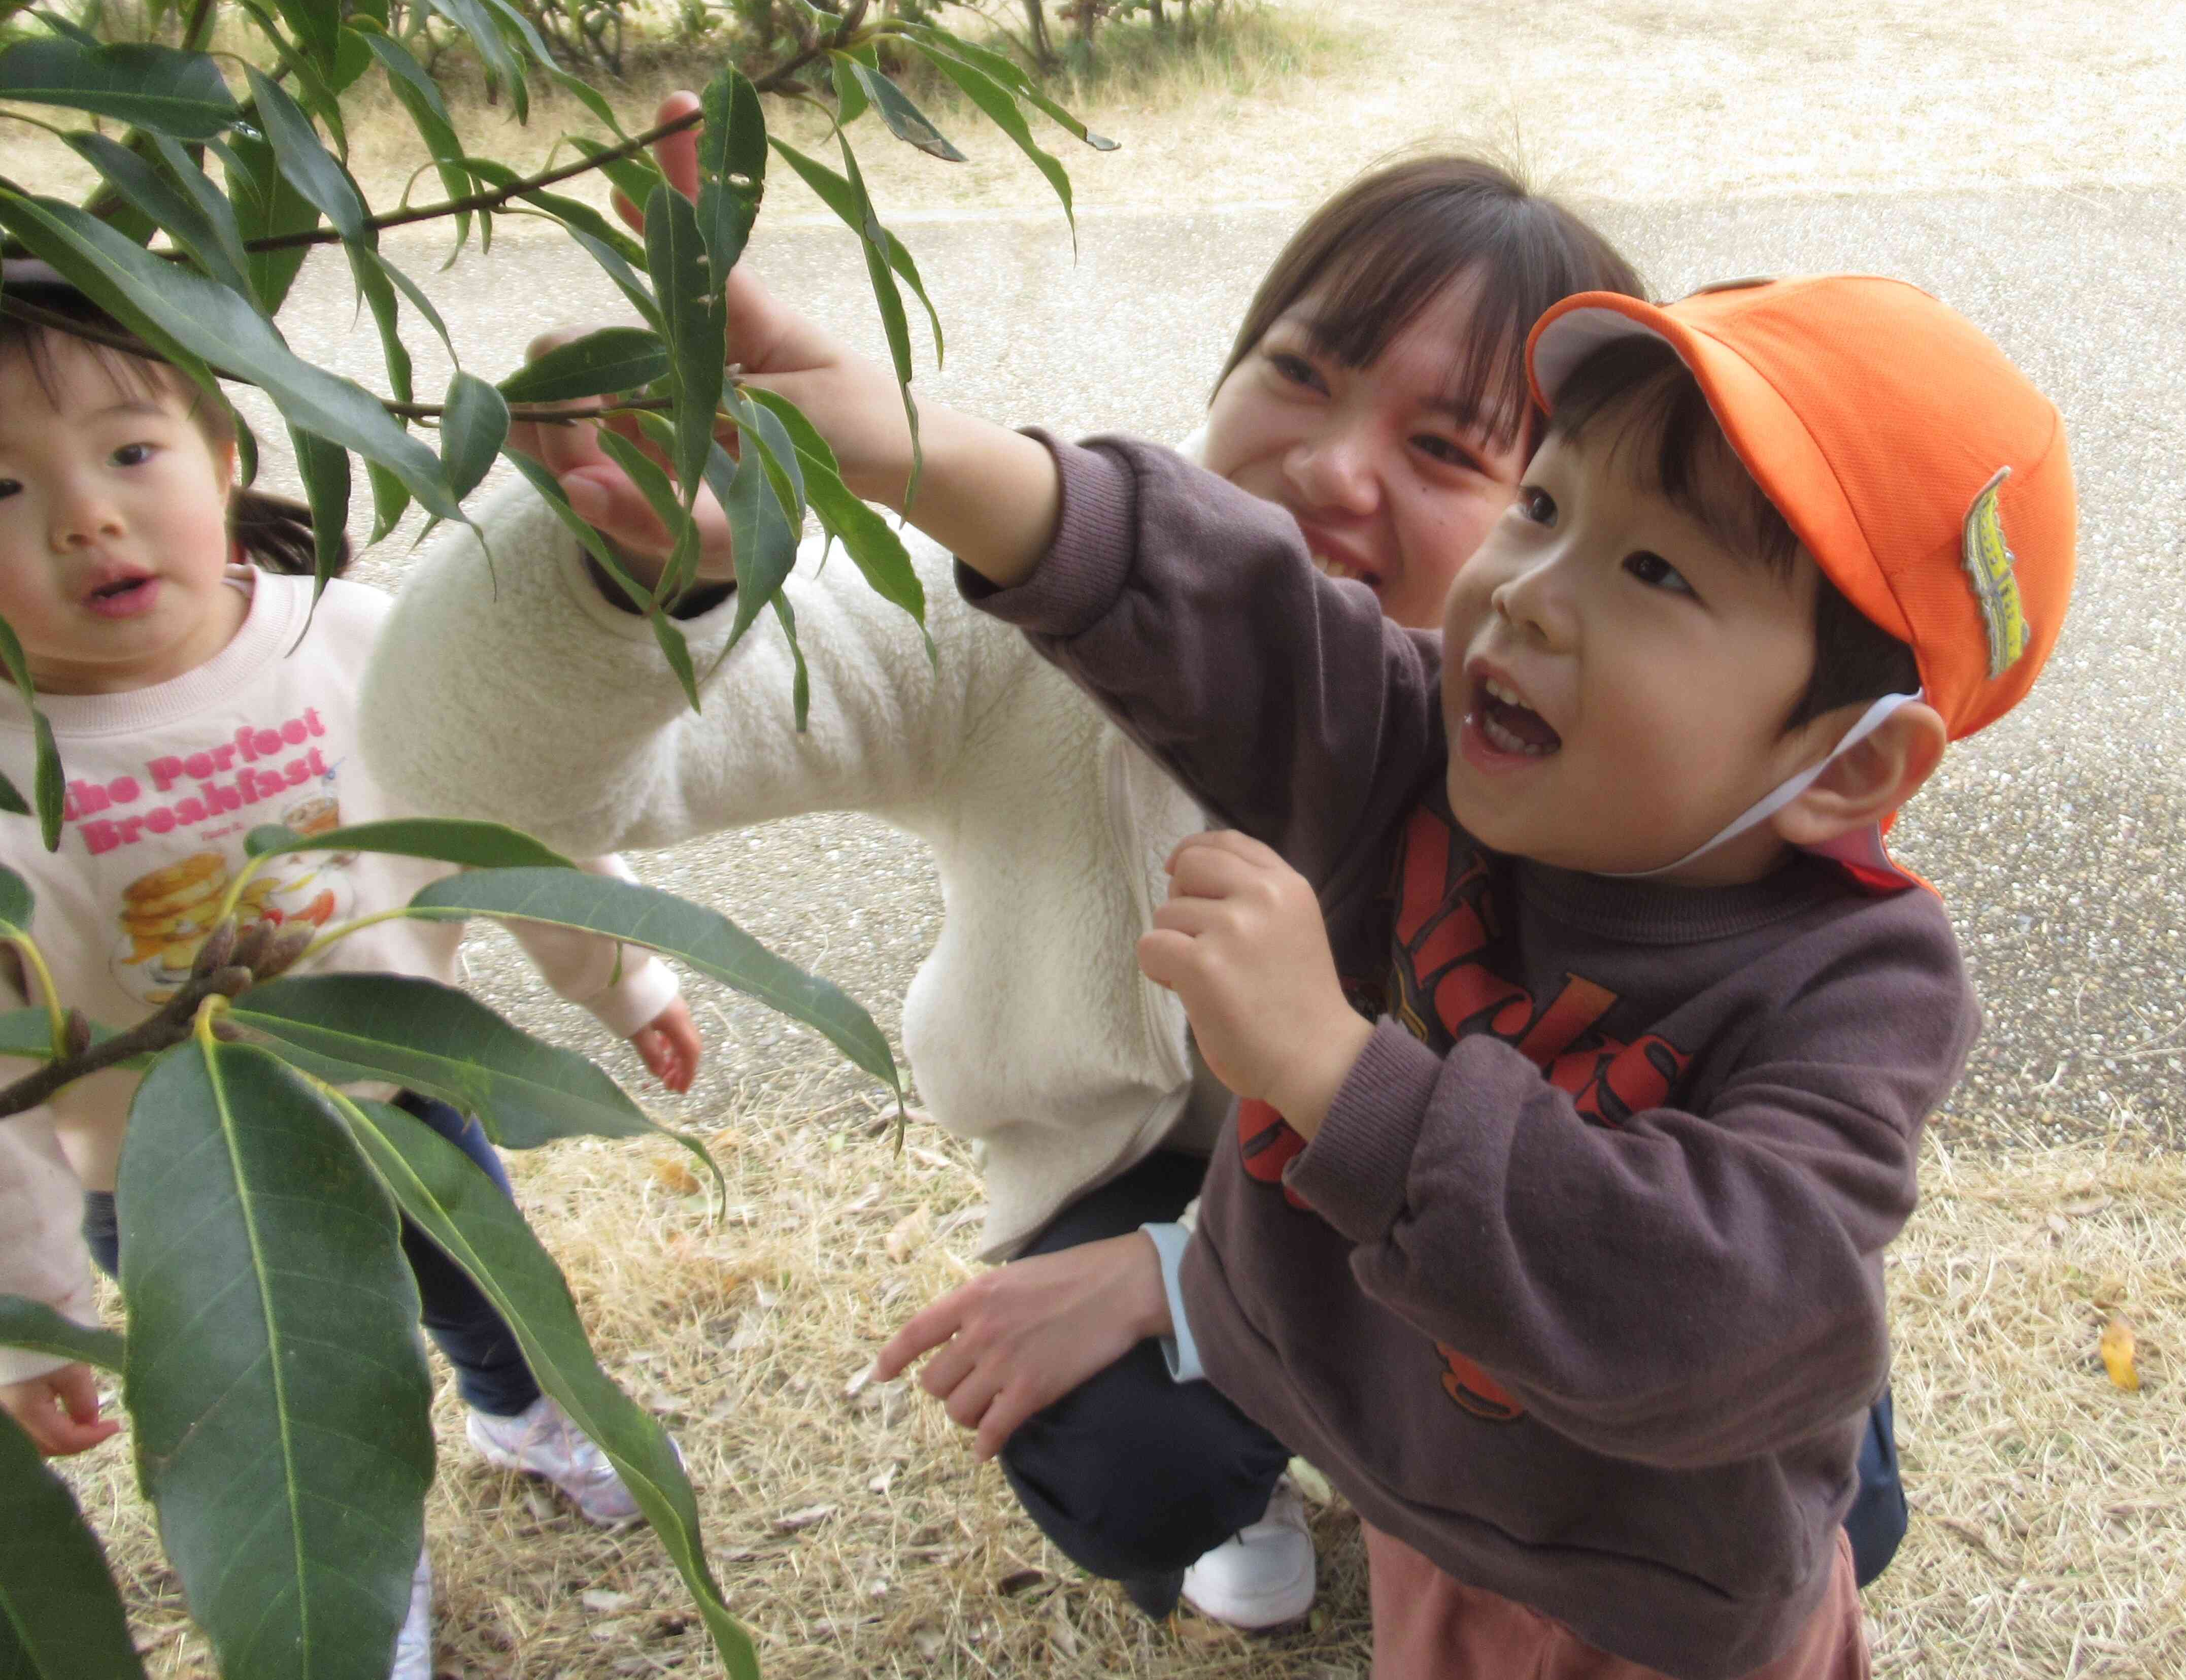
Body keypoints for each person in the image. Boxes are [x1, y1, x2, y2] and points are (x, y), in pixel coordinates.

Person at [668, 249, 2075, 1673]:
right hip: (1424, 1499)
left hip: (1647, 1595)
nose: (1524, 591)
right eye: (1540, 506)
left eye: (1654, 567)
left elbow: (1730, 1301)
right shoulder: (1410, 755)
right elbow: (1235, 608)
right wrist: (912, 451)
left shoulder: (1854, 985)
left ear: (1846, 767)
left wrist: (1339, 1073)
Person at [363, 109, 1644, 1629]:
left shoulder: (1598, 757)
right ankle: (1240, 1474)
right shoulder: (1041, 612)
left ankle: (1362, 1423)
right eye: (1295, 373)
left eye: (1445, 448)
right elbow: (473, 785)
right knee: (1135, 1459)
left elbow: (1587, 1191)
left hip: (1421, 1173)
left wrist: (1181, 1281)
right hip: (1125, 1167)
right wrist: (640, 577)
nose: (1327, 467)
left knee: (1811, 1468)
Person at [0, 270, 704, 1680]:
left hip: (400, 1090)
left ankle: (523, 1410)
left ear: (224, 453)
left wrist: (619, 981)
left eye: (133, 451)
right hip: (172, 1181)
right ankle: (344, 1577)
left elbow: (506, 816)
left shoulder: (359, 638)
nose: (87, 515)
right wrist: (31, 1321)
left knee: (492, 1291)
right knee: (276, 1403)